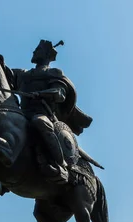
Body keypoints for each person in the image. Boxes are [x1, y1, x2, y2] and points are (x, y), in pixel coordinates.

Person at [8, 39, 92, 184]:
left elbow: (60, 93)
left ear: (47, 54)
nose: (34, 52)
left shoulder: (54, 73)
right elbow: (2, 71)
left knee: (40, 122)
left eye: (38, 49)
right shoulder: (23, 74)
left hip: (43, 114)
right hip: (22, 113)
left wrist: (41, 94)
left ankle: (61, 165)